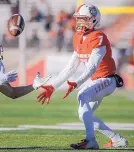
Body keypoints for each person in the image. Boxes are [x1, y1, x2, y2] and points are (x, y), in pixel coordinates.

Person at [37, 4, 128, 149]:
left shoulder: (98, 37)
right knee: (84, 115)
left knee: (82, 96)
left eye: (84, 19)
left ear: (94, 20)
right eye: (78, 19)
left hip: (107, 79)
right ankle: (117, 139)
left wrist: (77, 83)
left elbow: (92, 67)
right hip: (95, 81)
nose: (80, 22)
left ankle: (90, 140)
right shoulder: (77, 37)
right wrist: (53, 86)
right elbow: (71, 67)